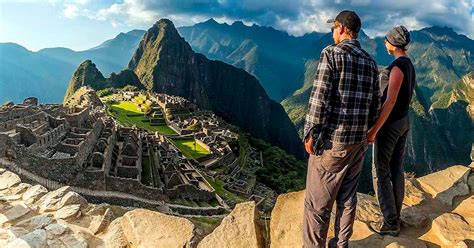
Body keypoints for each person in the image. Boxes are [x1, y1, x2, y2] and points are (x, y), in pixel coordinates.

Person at [302, 10, 381, 248]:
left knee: (317, 204)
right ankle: (340, 243)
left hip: (333, 143)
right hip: (358, 142)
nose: (332, 32)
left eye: (333, 27)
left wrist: (310, 132)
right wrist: (367, 133)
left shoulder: (331, 54)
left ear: (343, 28)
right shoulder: (371, 61)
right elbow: (375, 104)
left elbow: (320, 97)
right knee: (347, 198)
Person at [367, 26, 416, 236]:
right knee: (396, 168)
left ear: (392, 43)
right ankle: (395, 216)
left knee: (380, 171)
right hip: (404, 121)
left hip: (391, 124)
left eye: (386, 40)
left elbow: (390, 100)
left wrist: (374, 129)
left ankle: (390, 222)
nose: (384, 43)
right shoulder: (409, 64)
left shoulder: (397, 67)